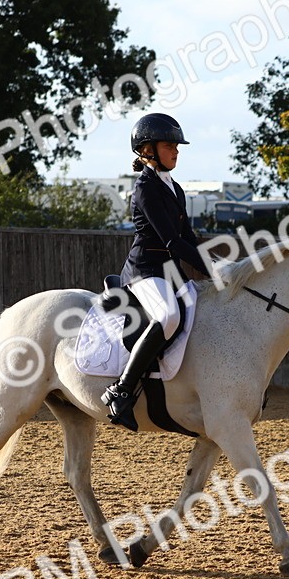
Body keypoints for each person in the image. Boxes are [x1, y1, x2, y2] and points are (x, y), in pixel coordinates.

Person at [101, 113, 213, 431]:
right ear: (147, 150)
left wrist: (216, 267)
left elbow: (189, 238)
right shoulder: (146, 188)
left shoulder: (175, 188)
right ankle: (121, 390)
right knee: (168, 317)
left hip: (171, 271)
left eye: (177, 146)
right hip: (146, 270)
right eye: (169, 145)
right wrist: (211, 270)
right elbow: (172, 241)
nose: (176, 151)